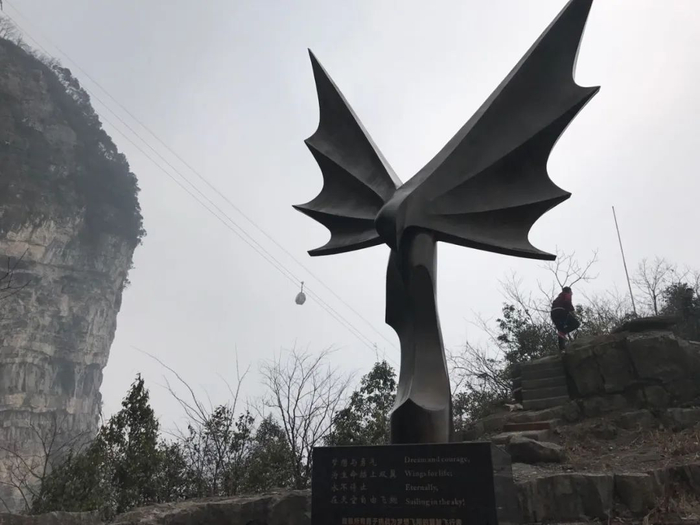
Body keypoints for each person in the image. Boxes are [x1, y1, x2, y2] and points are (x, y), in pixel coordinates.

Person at [551, 286, 580, 351]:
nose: (572, 293)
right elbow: (567, 302)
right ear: (569, 291)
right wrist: (572, 309)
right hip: (561, 312)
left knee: (561, 331)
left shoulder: (558, 298)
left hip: (553, 314)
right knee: (576, 324)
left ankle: (562, 349)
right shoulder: (566, 294)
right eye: (571, 292)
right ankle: (563, 333)